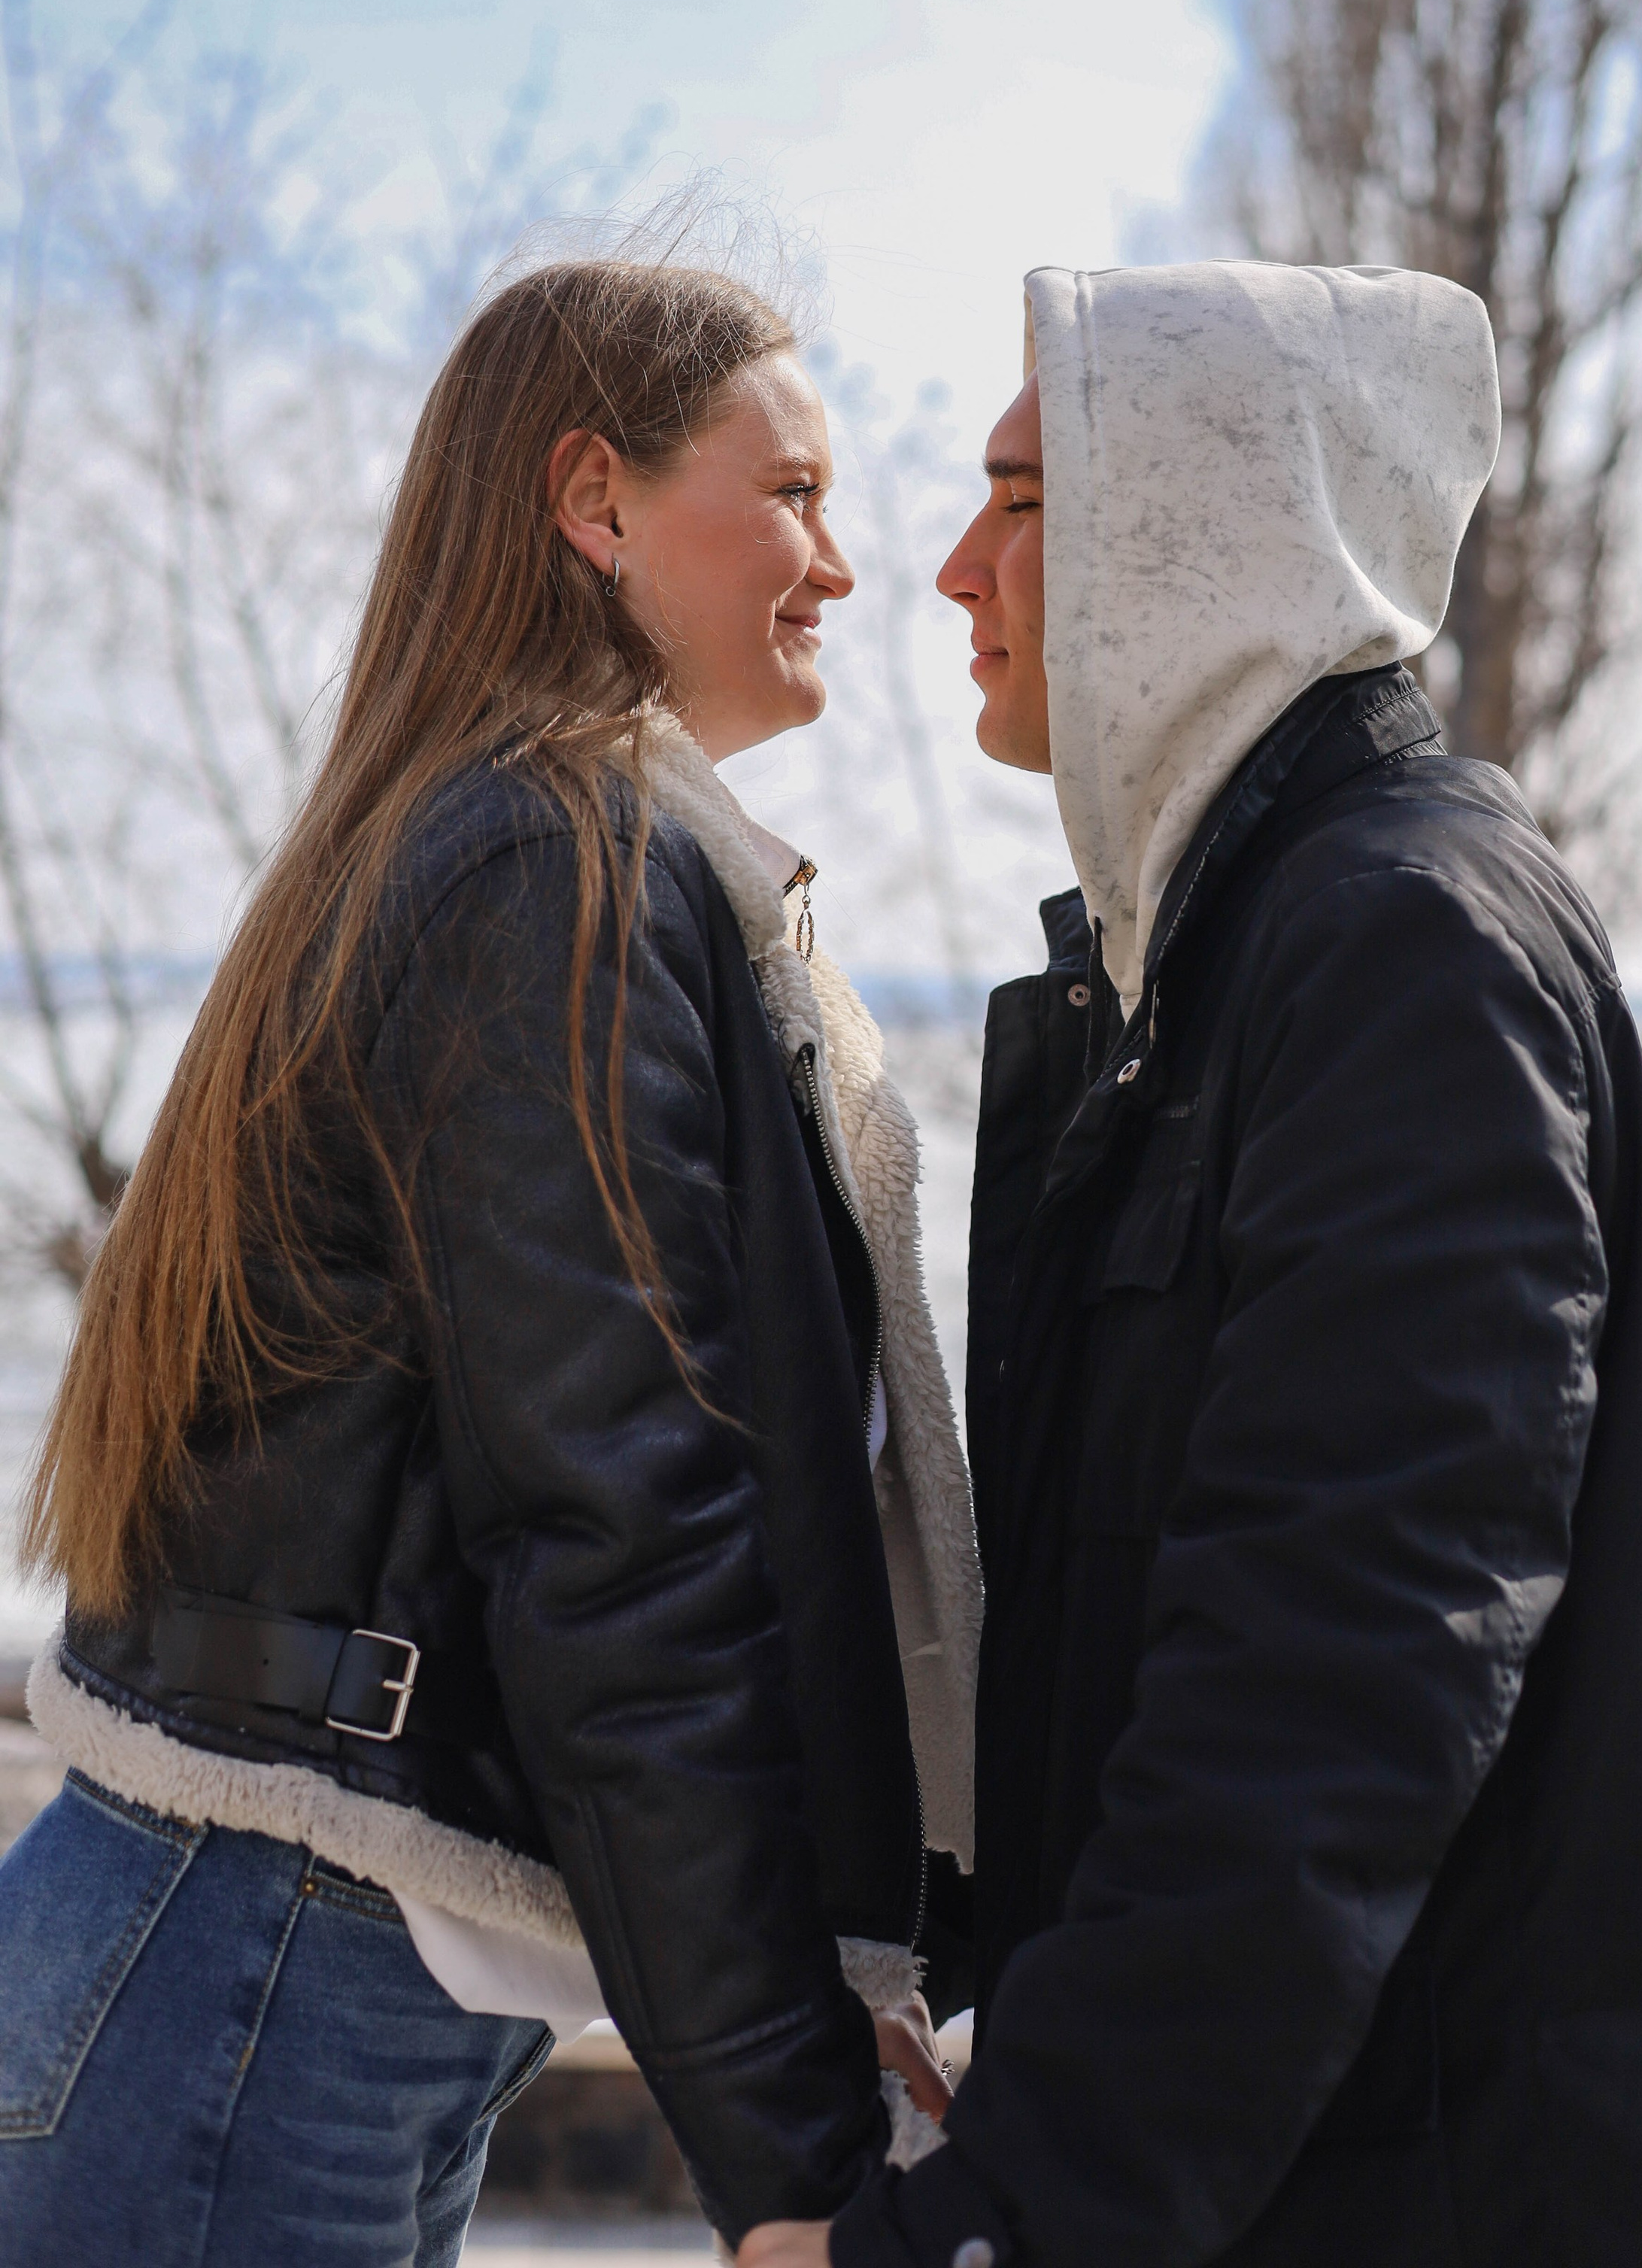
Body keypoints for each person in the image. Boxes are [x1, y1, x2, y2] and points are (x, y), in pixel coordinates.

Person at [742, 260, 1642, 2268]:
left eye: (1020, 500)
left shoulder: (1401, 943)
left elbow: (1342, 1672)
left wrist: (1005, 2225)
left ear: (1216, 523)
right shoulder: (1219, 966)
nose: (943, 573)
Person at [0, 251, 979, 2266]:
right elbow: (624, 1535)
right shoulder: (554, 872)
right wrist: (784, 2142)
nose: (847, 565)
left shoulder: (511, 845)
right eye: (790, 491)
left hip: (275, 1979)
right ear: (594, 500)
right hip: (257, 1990)